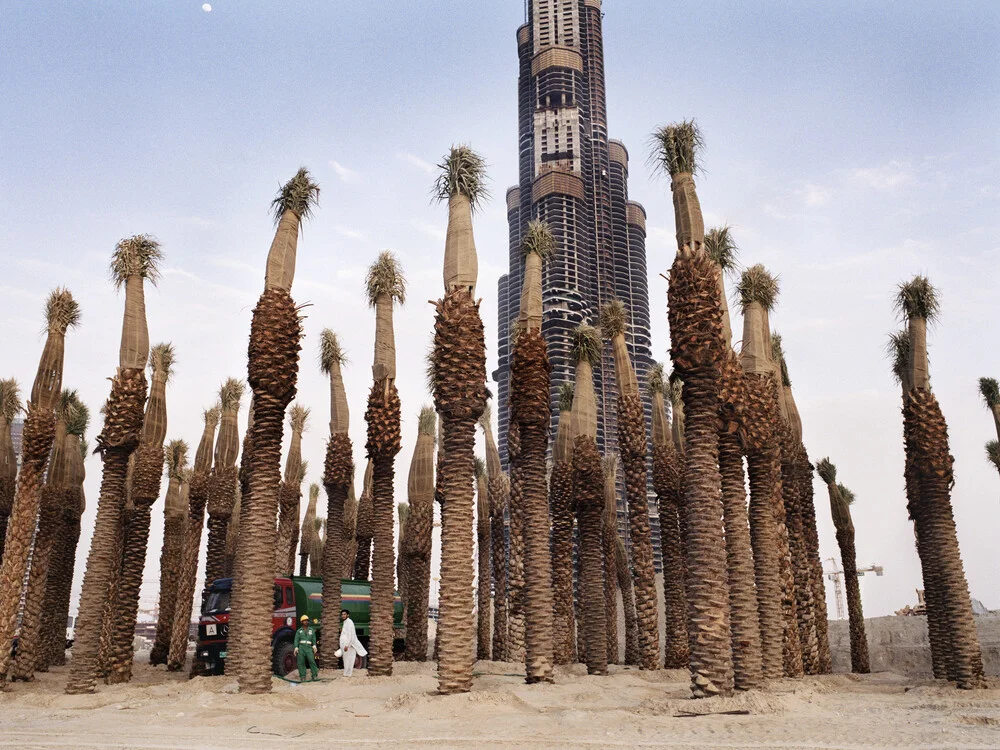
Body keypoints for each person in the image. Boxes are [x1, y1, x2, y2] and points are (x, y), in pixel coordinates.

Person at [335, 608, 367, 677]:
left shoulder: (350, 622)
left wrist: (347, 645)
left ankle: (348, 674)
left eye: (344, 614)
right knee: (346, 659)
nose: (343, 616)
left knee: (350, 659)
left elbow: (350, 635)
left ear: (348, 615)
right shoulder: (345, 622)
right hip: (345, 645)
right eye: (342, 614)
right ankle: (346, 673)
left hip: (349, 645)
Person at [293, 614, 319, 682]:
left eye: (306, 621)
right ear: (301, 622)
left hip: (309, 648)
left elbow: (314, 638)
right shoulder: (299, 631)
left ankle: (314, 675)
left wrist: (314, 646)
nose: (305, 622)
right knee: (301, 662)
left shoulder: (311, 630)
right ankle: (302, 676)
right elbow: (296, 640)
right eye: (304, 621)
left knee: (312, 661)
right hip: (301, 647)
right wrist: (296, 647)